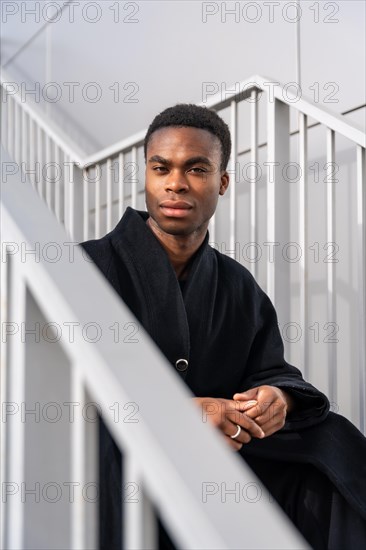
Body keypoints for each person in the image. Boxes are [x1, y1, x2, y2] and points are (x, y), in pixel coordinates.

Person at [81, 104, 366, 549]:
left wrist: (278, 398)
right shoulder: (85, 268)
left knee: (329, 444)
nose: (175, 183)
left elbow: (269, 368)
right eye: (161, 168)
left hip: (221, 458)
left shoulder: (237, 284)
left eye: (196, 169)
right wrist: (181, 412)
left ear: (222, 182)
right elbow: (60, 383)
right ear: (147, 176)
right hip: (119, 454)